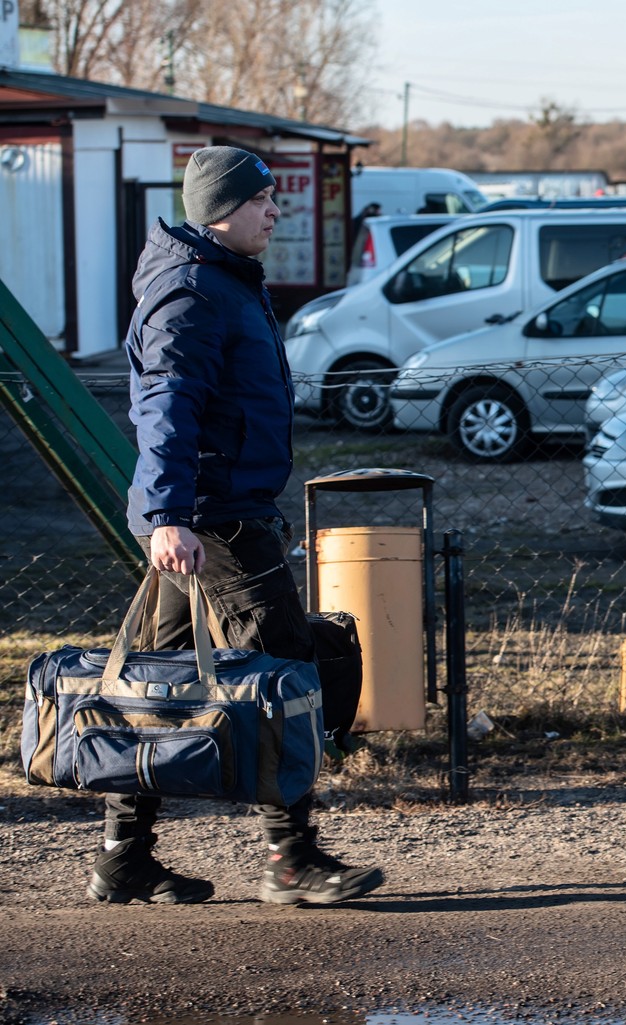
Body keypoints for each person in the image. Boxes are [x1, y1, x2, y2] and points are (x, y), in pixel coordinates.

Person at [92, 146, 386, 906]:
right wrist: (167, 514)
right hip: (211, 522)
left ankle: (124, 856)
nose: (275, 211)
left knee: (152, 685)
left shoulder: (224, 282)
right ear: (221, 207)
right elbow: (166, 406)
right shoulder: (192, 291)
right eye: (263, 200)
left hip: (209, 515)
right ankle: (292, 860)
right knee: (284, 674)